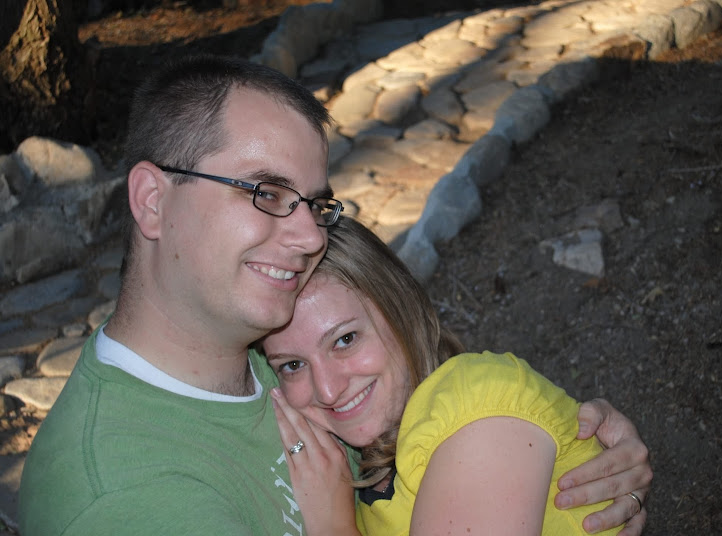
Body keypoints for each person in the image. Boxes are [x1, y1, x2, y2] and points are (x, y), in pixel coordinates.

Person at [18, 55, 649, 535]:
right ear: (153, 201)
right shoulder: (122, 498)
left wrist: (574, 439)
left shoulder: (269, 355)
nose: (309, 236)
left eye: (314, 204)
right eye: (266, 192)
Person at [264, 216, 651, 535]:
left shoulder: (476, 402)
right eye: (292, 365)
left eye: (345, 339)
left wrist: (331, 528)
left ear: (401, 310)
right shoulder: (359, 472)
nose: (328, 389)